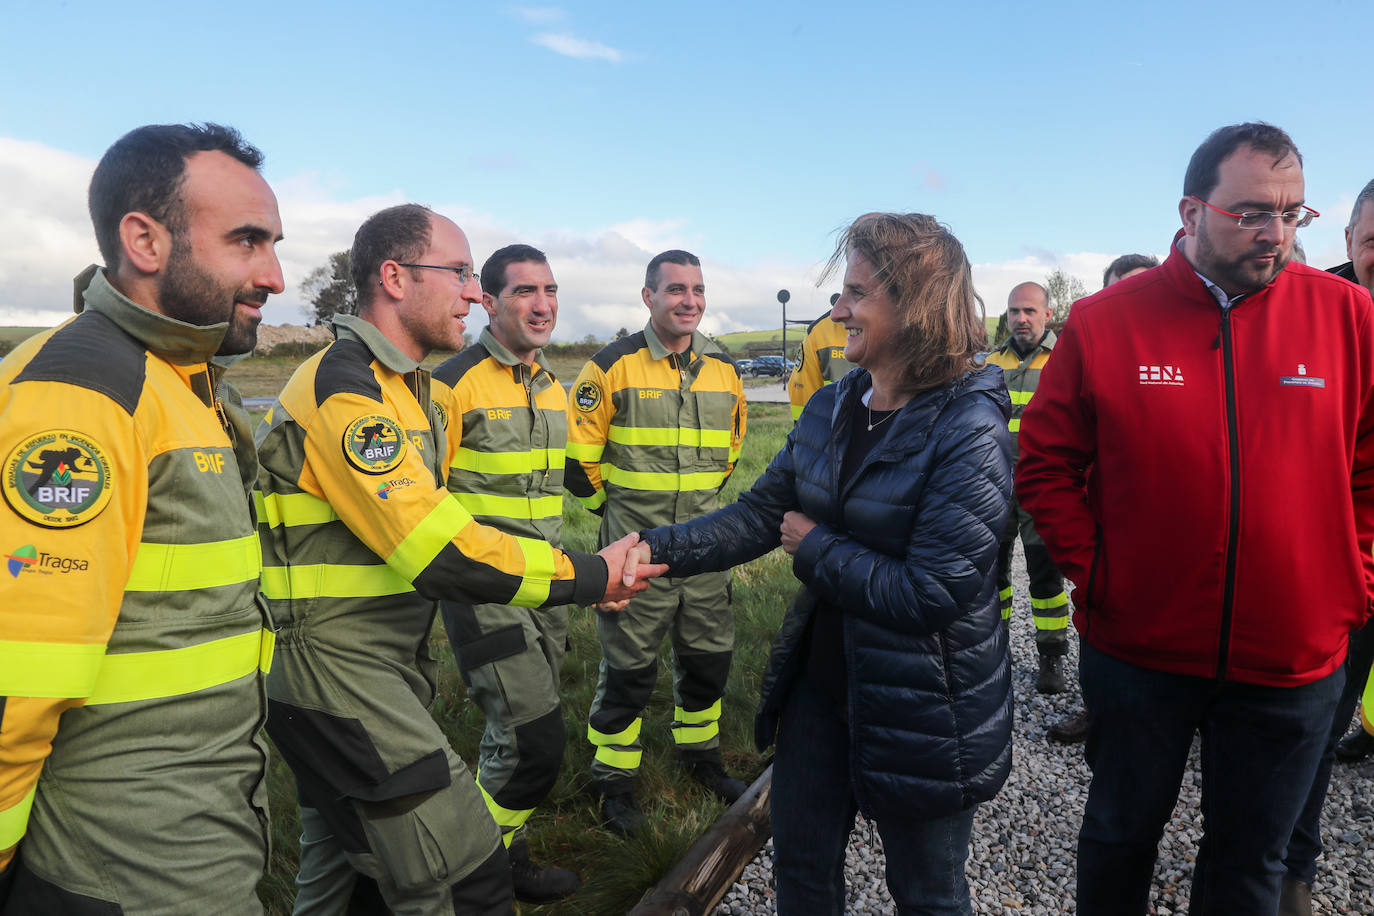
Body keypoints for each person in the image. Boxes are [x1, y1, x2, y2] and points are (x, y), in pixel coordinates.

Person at [255, 204, 661, 915]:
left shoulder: (409, 390)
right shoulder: (347, 389)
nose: (476, 293)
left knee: (344, 878)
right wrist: (590, 575)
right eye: (463, 274)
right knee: (462, 874)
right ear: (394, 277)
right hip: (337, 676)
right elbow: (442, 546)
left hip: (374, 663)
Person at [1017, 122, 1374, 915]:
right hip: (1141, 653)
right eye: (1251, 212)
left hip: (1292, 658)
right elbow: (1044, 465)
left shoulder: (1348, 319)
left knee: (1250, 863)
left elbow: (1372, 468)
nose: (1274, 234)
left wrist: (1348, 579)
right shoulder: (1108, 321)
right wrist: (1102, 573)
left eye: (1292, 213)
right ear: (1190, 211)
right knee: (1118, 838)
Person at [634, 212, 1013, 914]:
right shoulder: (835, 405)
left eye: (855, 293)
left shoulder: (970, 428)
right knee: (802, 876)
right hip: (821, 690)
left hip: (927, 705)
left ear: (917, 304)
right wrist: (652, 549)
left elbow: (933, 593)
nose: (837, 311)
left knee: (928, 892)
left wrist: (817, 548)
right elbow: (757, 514)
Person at [0, 123, 283, 912]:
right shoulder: (85, 395)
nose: (276, 275)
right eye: (248, 242)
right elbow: (15, 682)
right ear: (145, 241)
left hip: (203, 829)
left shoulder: (185, 380)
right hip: (129, 869)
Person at [565, 249, 748, 833]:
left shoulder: (724, 368)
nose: (689, 300)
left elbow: (732, 454)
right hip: (633, 556)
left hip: (705, 551)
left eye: (697, 289)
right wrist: (619, 522)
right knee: (628, 670)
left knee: (708, 660)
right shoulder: (609, 366)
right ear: (648, 297)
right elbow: (578, 463)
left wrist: (697, 523)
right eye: (675, 290)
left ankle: (702, 760)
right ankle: (615, 782)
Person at [429, 244, 578, 903]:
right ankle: (475, 875)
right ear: (488, 302)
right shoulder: (449, 385)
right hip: (484, 592)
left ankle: (493, 857)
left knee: (522, 740)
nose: (542, 304)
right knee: (532, 742)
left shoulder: (551, 386)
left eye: (549, 290)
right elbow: (423, 500)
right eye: (524, 292)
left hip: (546, 588)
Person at [1280, 177, 1374, 916]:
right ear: (1348, 242)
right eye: (1373, 242)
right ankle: (1293, 869)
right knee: (1317, 720)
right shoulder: (1315, 316)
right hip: (1350, 567)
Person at [1046, 252, 1161, 745]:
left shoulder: (1191, 346)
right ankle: (1096, 711)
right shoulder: (1091, 349)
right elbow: (1050, 458)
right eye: (1120, 290)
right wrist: (1087, 563)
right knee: (1102, 635)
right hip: (1107, 543)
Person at [986, 282, 1072, 694]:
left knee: (1045, 579)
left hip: (1043, 488)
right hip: (995, 486)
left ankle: (1051, 657)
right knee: (993, 575)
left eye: (1029, 311)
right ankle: (994, 653)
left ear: (1047, 315)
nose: (1021, 319)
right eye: (1014, 311)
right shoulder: (989, 364)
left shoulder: (1066, 360)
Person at [787, 292, 856, 420]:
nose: (836, 312)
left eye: (858, 290)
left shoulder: (904, 331)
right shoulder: (820, 333)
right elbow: (802, 405)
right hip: (834, 437)